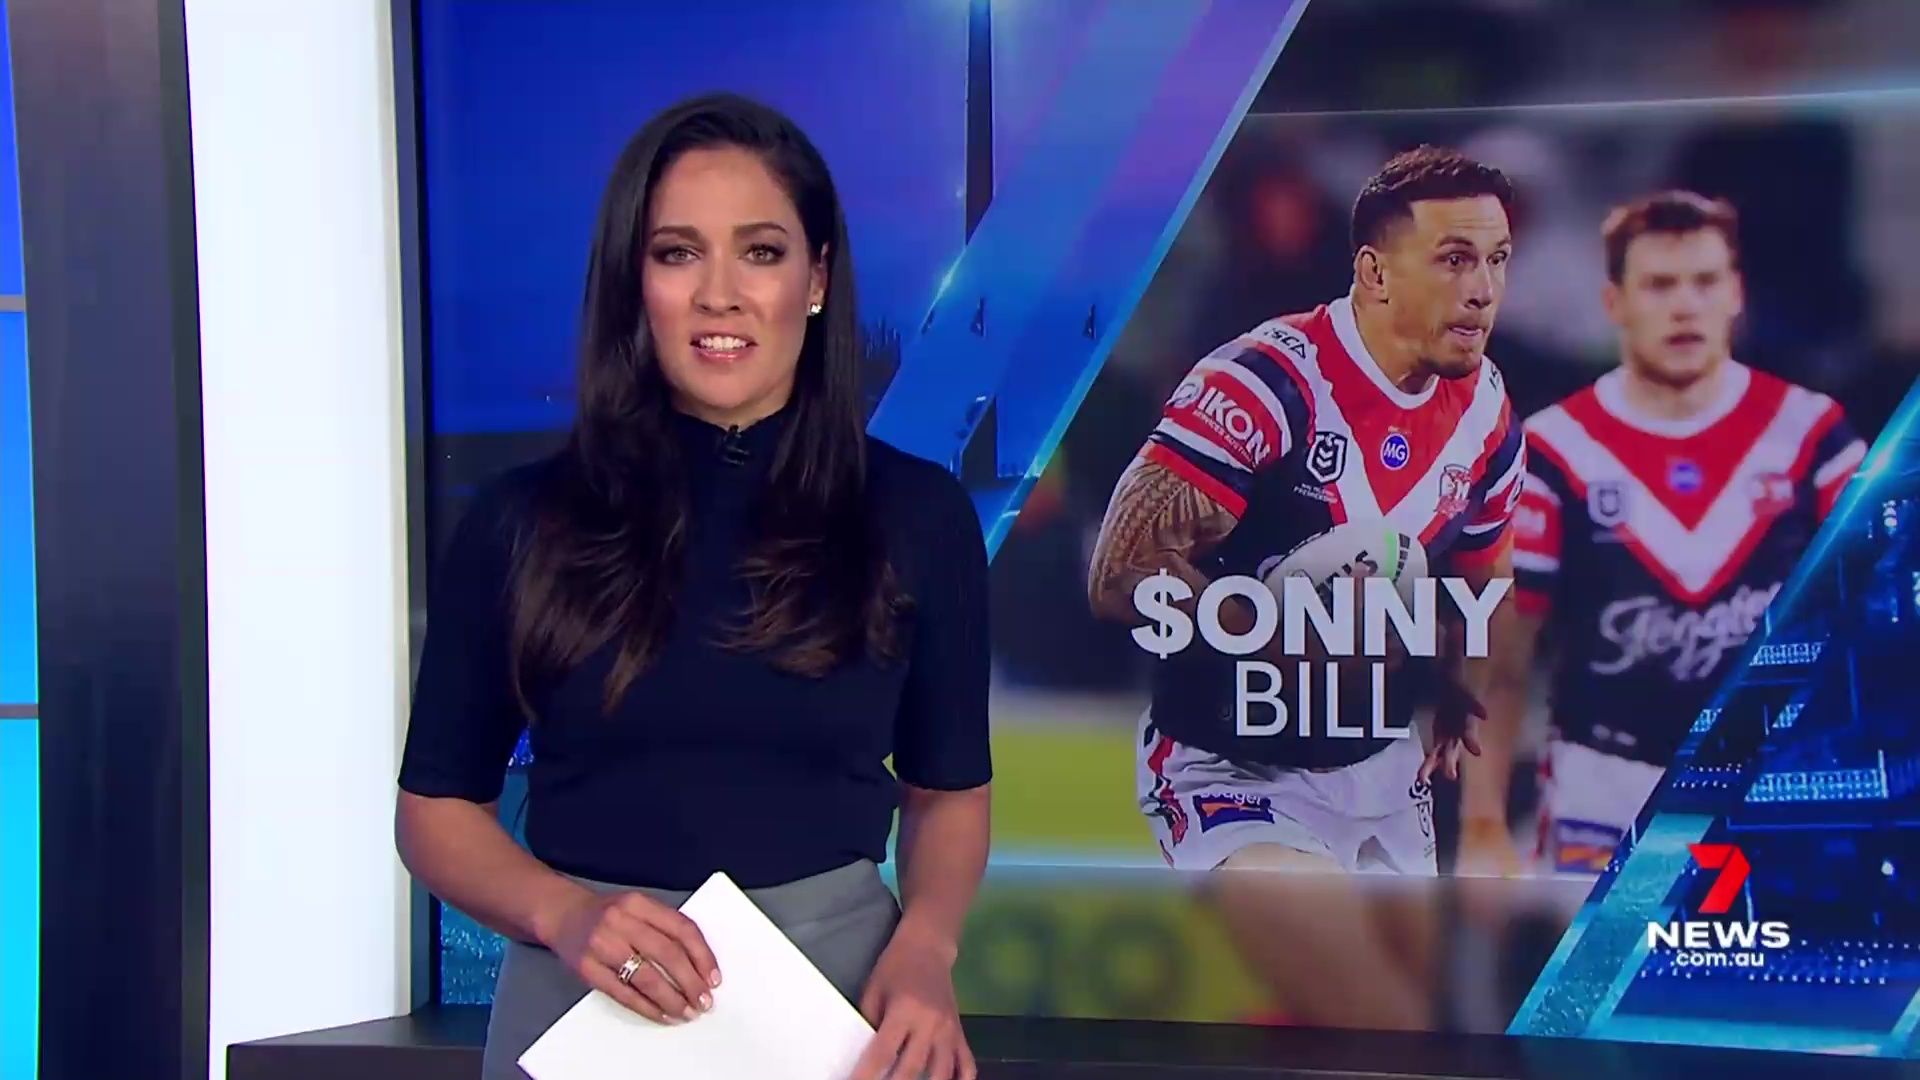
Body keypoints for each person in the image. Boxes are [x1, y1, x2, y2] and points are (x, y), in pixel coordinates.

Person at [395, 93, 992, 1080]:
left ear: (816, 279)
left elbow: (949, 795)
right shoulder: (520, 521)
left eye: (760, 252)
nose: (720, 294)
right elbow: (435, 813)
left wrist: (927, 948)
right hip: (583, 997)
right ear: (635, 283)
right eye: (678, 253)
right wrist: (565, 914)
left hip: (839, 1005)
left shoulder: (919, 515)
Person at [1084, 145, 1525, 1029]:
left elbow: (1487, 580)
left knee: (1420, 1031)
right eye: (1454, 259)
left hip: (1382, 767)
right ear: (1375, 271)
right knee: (1385, 1029)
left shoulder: (1487, 410)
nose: (1483, 290)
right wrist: (1271, 629)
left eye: (1497, 260)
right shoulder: (1263, 384)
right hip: (1233, 768)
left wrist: (1460, 680)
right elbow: (1118, 573)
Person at [1473, 191, 1866, 878]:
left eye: (1704, 282)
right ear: (1614, 303)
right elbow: (1501, 658)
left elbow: (1879, 625)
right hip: (1601, 796)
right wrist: (1481, 825)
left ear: (1736, 294)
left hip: (1776, 780)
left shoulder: (1813, 434)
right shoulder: (1551, 449)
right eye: (1659, 285)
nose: (1685, 306)